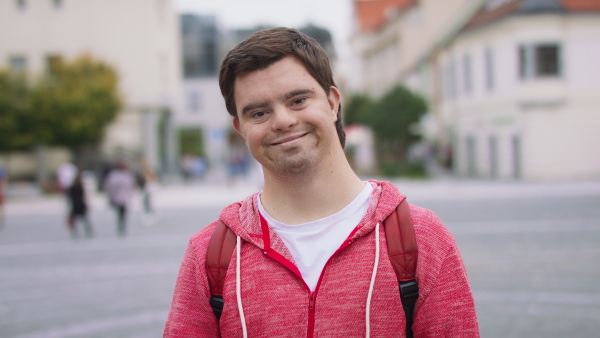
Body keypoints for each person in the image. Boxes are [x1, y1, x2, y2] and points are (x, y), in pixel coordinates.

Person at [164, 28, 479, 337]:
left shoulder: (420, 238)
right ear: (240, 128)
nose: (283, 121)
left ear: (332, 102)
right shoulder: (210, 254)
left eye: (298, 100)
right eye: (259, 113)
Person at [103, 161, 135, 236]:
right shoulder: (126, 175)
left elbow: (108, 186)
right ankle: (122, 227)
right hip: (124, 197)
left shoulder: (113, 175)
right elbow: (131, 185)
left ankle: (120, 227)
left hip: (117, 197)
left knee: (120, 213)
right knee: (123, 213)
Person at [66, 170, 93, 238]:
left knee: (78, 219)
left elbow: (69, 197)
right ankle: (87, 231)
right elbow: (83, 196)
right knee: (84, 219)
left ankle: (76, 232)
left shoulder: (73, 187)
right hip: (80, 204)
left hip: (75, 204)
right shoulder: (79, 186)